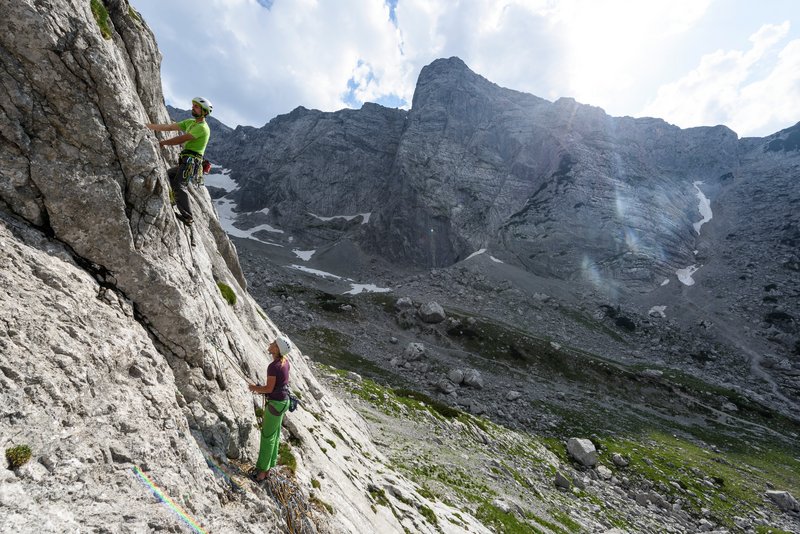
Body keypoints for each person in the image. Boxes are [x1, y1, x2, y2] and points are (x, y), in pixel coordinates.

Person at [145, 97, 213, 225]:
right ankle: (173, 200)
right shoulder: (190, 122)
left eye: (196, 107)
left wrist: (163, 143)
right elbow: (169, 127)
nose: (193, 107)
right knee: (169, 176)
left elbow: (182, 139)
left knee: (179, 185)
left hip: (192, 162)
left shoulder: (203, 128)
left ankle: (188, 217)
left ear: (204, 112)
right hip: (187, 161)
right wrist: (149, 126)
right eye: (193, 105)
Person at [248, 335, 293, 481]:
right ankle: (268, 468)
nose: (270, 344)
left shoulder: (273, 367)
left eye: (274, 343)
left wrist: (253, 388)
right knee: (274, 435)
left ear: (277, 349)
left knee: (267, 437)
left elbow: (268, 388)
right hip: (283, 402)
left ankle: (261, 472)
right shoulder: (285, 362)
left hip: (275, 404)